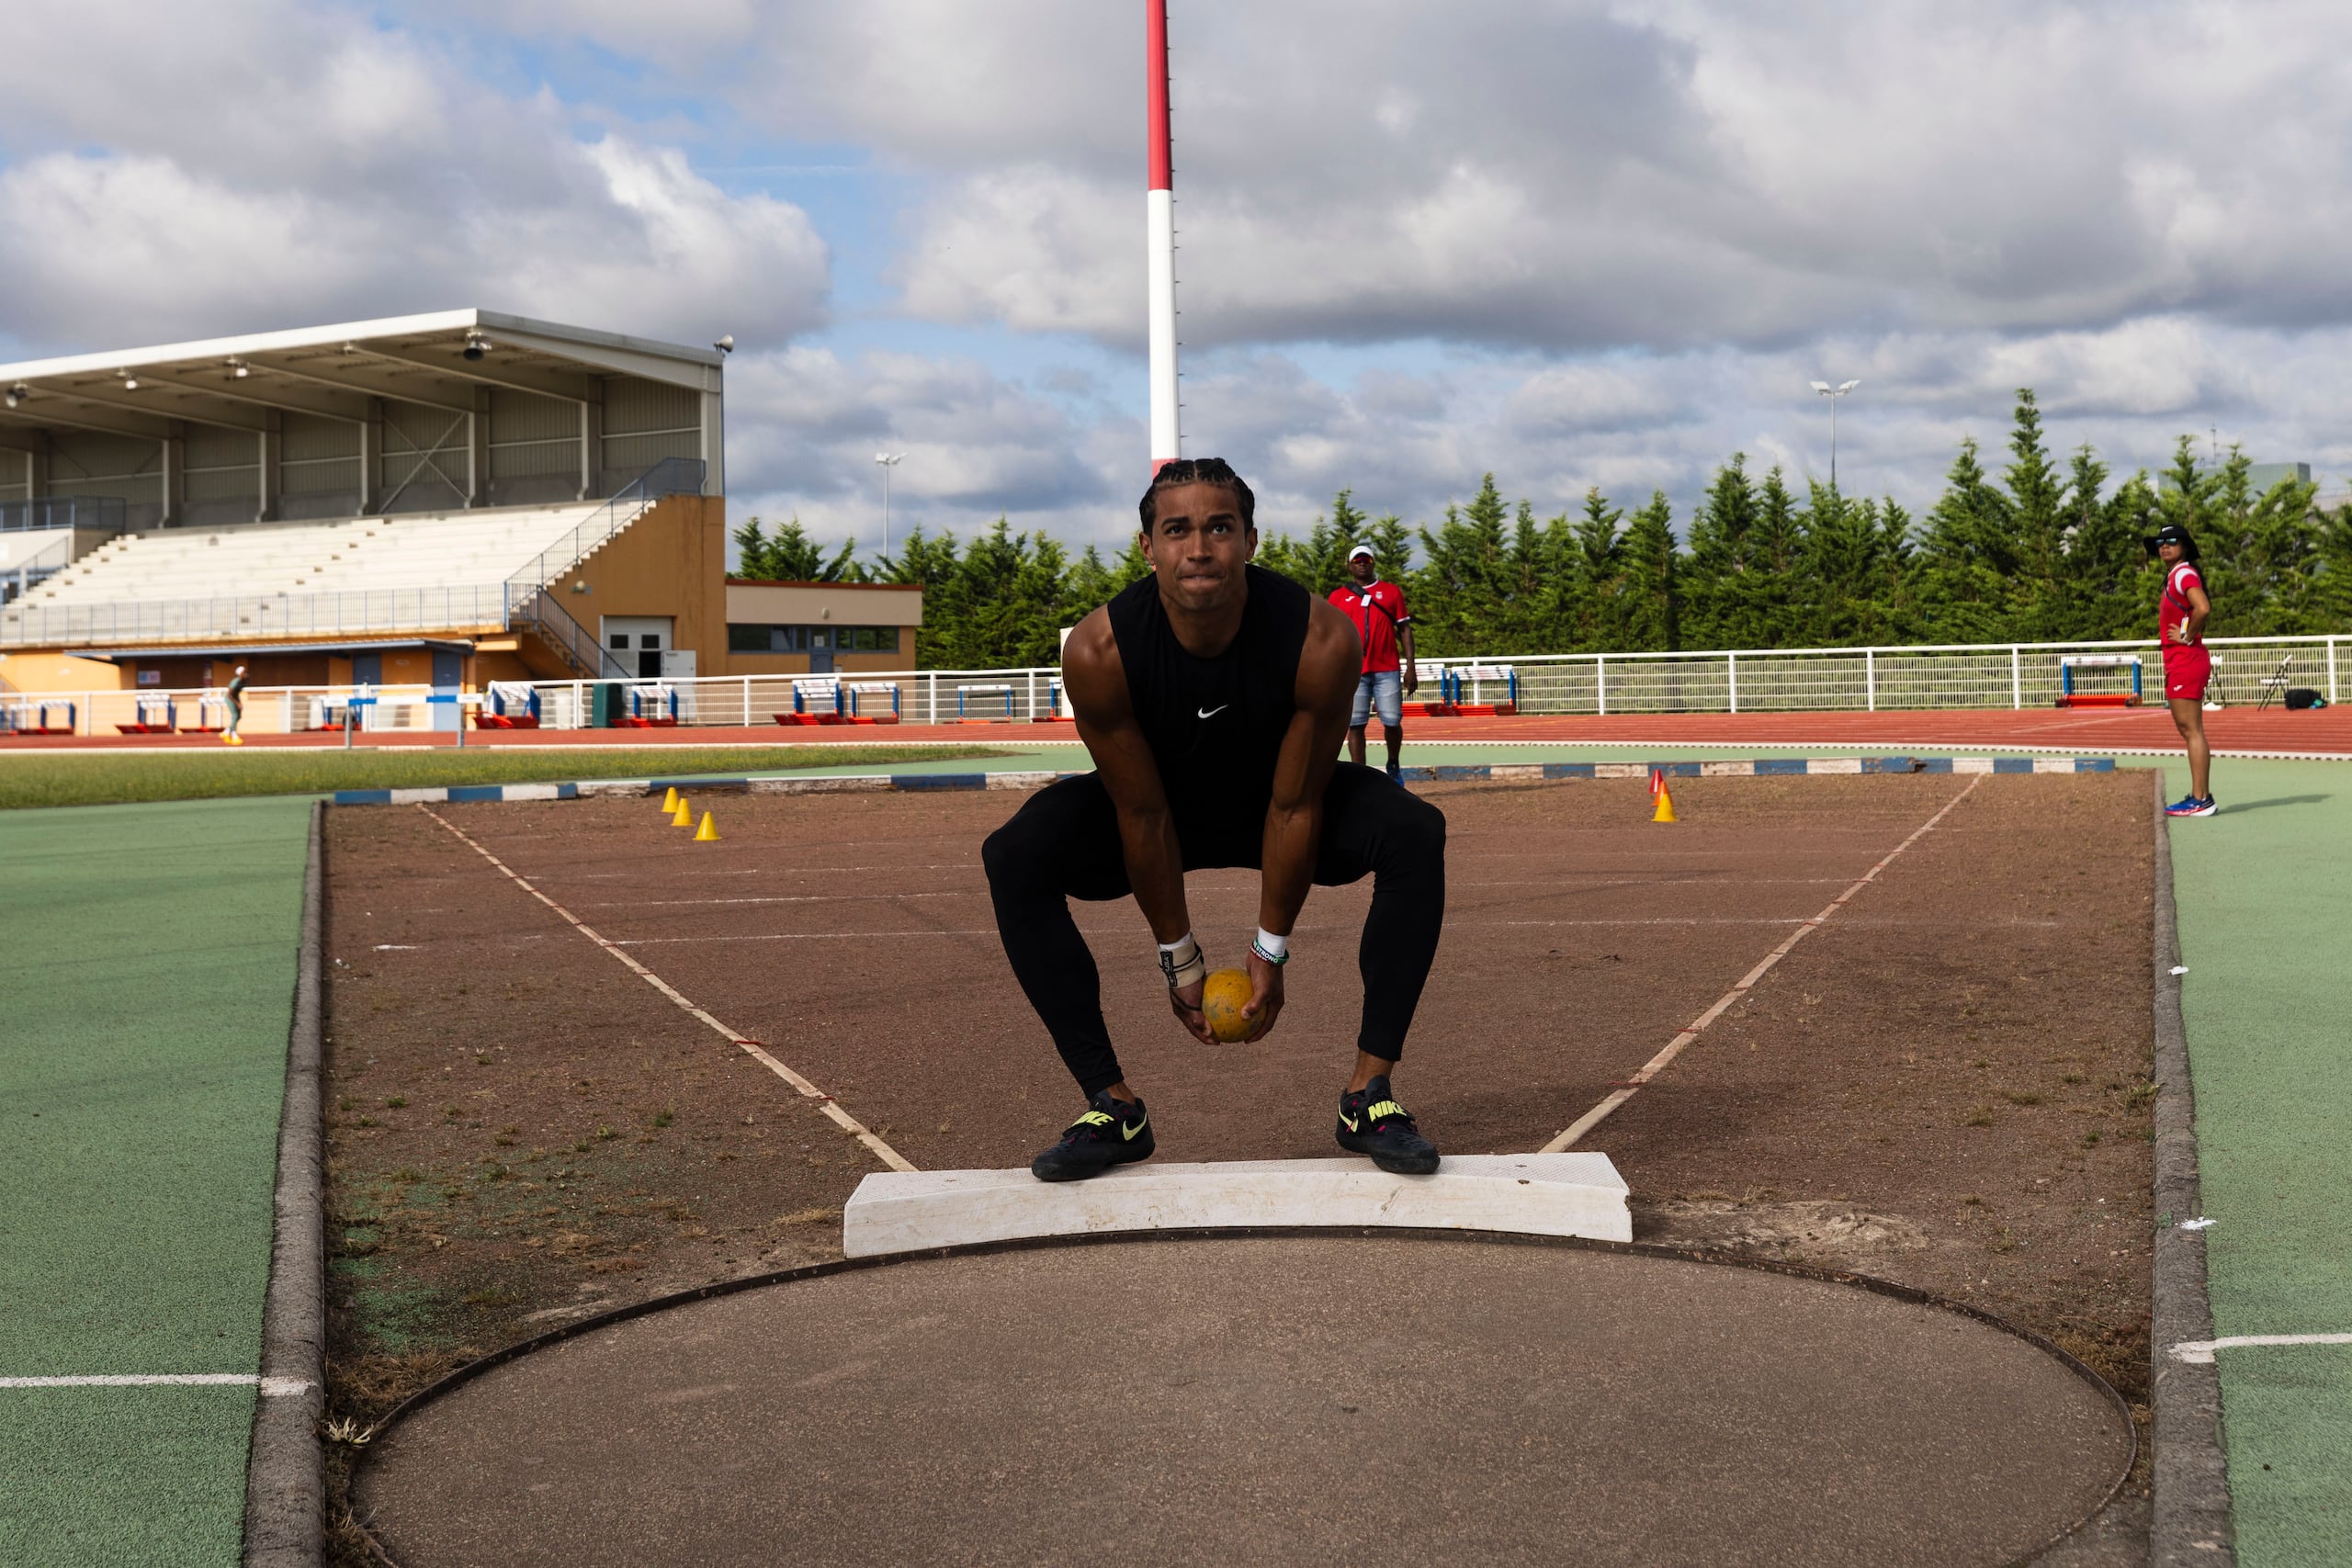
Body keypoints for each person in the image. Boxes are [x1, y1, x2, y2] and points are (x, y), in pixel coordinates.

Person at [983, 457, 1449, 1182]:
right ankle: (1112, 1107)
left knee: (1415, 832)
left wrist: (1269, 950)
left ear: (1251, 540)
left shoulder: (1320, 639)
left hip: (1281, 808)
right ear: (1148, 547)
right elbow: (1140, 811)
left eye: (1219, 527)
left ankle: (1369, 1094)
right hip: (1161, 813)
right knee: (1015, 852)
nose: (1199, 547)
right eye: (1177, 529)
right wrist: (1181, 958)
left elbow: (1295, 804)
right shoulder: (1099, 651)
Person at [1327, 542, 1418, 782]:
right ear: (1350, 566)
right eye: (1358, 561)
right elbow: (1329, 634)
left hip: (1387, 668)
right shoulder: (1338, 597)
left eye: (1366, 560)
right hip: (1353, 671)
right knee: (1355, 724)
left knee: (1392, 721)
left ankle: (1394, 763)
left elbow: (1405, 630)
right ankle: (1360, 777)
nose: (1362, 564)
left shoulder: (1391, 592)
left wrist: (1411, 667)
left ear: (1373, 563)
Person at [2149, 523, 2215, 817]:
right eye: (2160, 541)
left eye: (2172, 540)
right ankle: (2200, 796)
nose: (2165, 545)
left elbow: (2203, 608)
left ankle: (2201, 799)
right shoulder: (2176, 575)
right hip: (2181, 660)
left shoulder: (2184, 573)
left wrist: (2188, 637)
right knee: (2189, 730)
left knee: (2192, 730)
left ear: (2184, 545)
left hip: (2186, 659)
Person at [222, 663, 248, 746]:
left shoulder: (245, 679)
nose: (246, 673)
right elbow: (230, 694)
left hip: (235, 696)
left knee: (239, 716)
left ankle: (226, 732)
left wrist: (239, 702)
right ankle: (234, 736)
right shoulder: (235, 682)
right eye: (244, 672)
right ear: (240, 674)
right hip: (230, 698)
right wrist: (237, 703)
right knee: (235, 715)